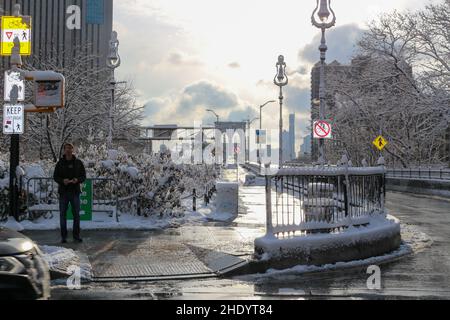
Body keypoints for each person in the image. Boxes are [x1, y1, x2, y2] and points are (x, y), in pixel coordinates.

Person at [53, 143, 86, 243]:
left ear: (73, 150)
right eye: (66, 148)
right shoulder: (60, 163)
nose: (68, 150)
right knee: (63, 214)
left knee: (76, 214)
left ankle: (76, 236)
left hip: (75, 192)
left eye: (70, 148)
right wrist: (63, 181)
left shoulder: (78, 163)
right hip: (63, 192)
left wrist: (77, 180)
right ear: (64, 150)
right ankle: (64, 236)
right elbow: (55, 176)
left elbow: (83, 176)